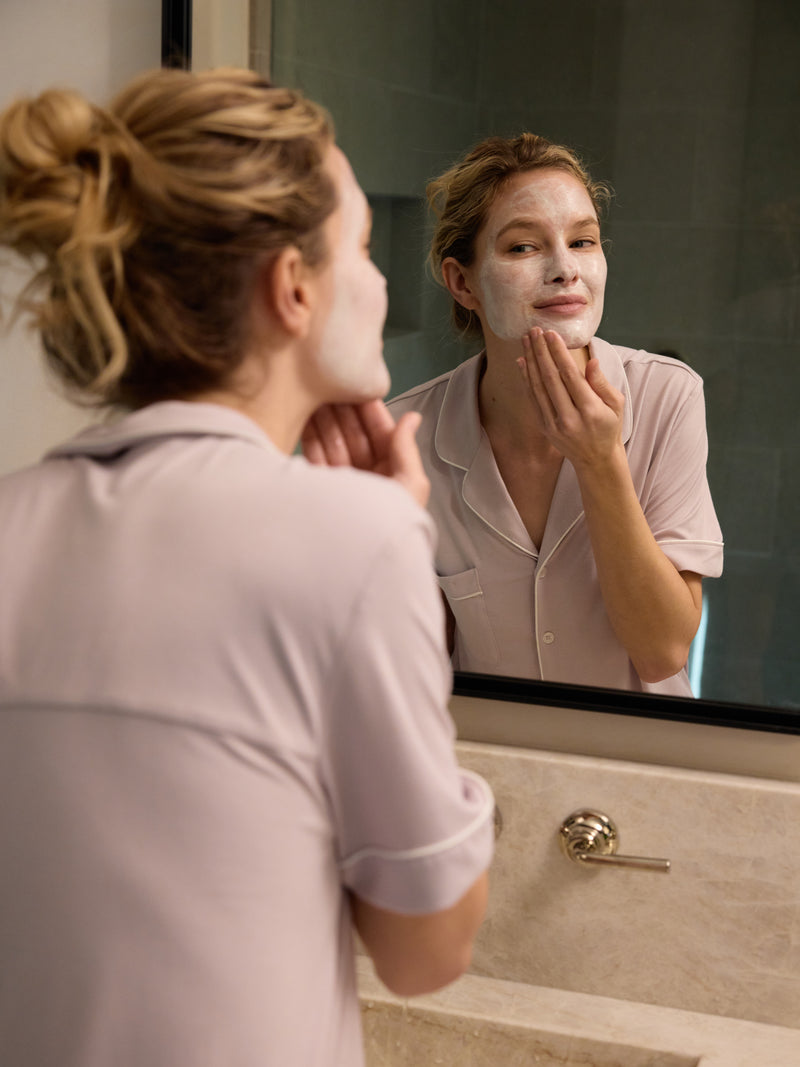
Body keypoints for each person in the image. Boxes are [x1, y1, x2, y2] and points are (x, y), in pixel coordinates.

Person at [0, 68, 494, 1066]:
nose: (380, 278)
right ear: (292, 287)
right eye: (359, 245)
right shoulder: (353, 543)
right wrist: (377, 542)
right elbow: (424, 949)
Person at [308, 134, 723, 695]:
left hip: (641, 766)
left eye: (583, 241)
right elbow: (410, 667)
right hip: (488, 763)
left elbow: (663, 651)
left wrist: (600, 461)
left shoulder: (667, 398)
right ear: (462, 283)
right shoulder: (409, 435)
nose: (564, 270)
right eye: (524, 247)